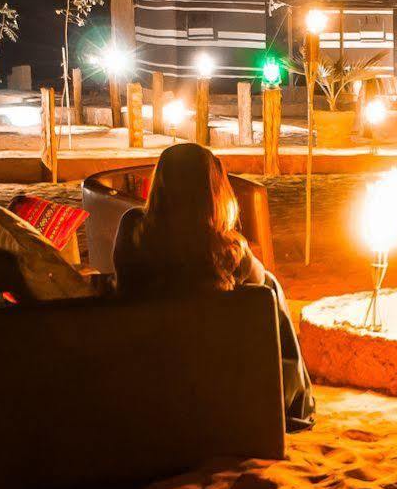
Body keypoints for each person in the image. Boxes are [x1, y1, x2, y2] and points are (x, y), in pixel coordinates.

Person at [113, 142, 314, 431]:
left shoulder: (133, 228)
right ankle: (294, 400)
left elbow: (123, 281)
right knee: (269, 287)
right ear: (212, 191)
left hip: (148, 364)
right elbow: (259, 279)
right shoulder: (227, 249)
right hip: (211, 369)